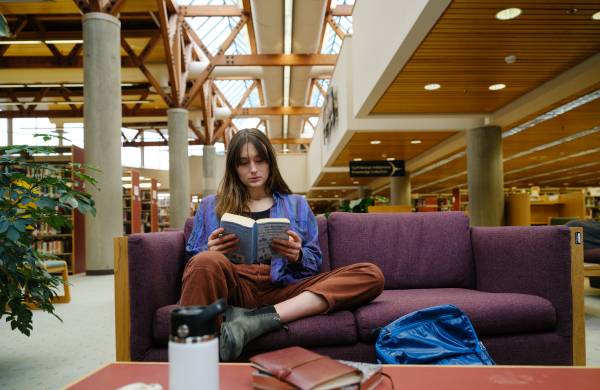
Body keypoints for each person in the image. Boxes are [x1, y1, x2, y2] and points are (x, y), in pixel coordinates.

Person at [182, 128, 385, 361]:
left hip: (283, 289)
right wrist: (211, 251)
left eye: (260, 160)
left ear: (270, 162)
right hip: (235, 287)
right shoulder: (210, 206)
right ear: (233, 168)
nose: (254, 169)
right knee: (205, 261)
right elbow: (192, 266)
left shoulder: (297, 204)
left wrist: (297, 255)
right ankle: (193, 364)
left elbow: (314, 263)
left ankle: (258, 320)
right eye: (244, 163)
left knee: (371, 274)